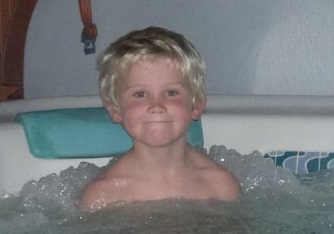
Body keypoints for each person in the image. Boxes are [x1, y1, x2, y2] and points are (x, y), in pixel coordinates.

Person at [78, 27, 241, 211]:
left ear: (196, 106)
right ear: (115, 110)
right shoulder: (102, 195)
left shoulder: (220, 186)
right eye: (140, 94)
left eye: (171, 92)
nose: (157, 106)